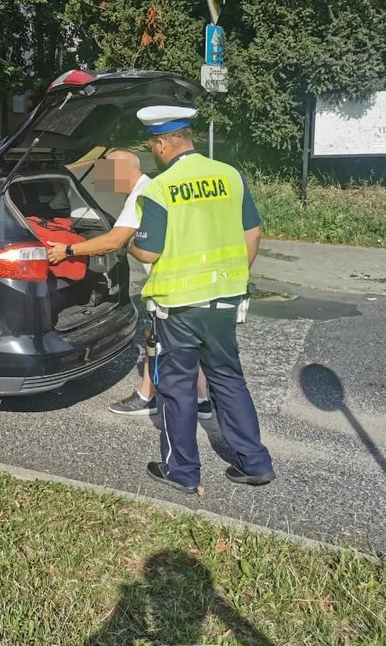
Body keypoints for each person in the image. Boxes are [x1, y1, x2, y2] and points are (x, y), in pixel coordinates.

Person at [130, 105, 275, 493]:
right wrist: (232, 276)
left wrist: (129, 242)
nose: (153, 151)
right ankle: (256, 464)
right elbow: (253, 233)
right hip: (225, 300)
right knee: (228, 380)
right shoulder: (230, 176)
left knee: (177, 388)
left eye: (152, 145)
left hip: (178, 307)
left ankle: (182, 472)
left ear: (163, 142)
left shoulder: (161, 188)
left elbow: (148, 252)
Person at [46, 150, 213, 419]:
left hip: (172, 281)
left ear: (122, 170)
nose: (104, 180)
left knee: (157, 339)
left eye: (107, 173)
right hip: (196, 277)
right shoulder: (151, 187)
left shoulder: (142, 194)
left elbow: (114, 240)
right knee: (189, 339)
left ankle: (149, 397)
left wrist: (68, 251)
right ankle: (201, 399)